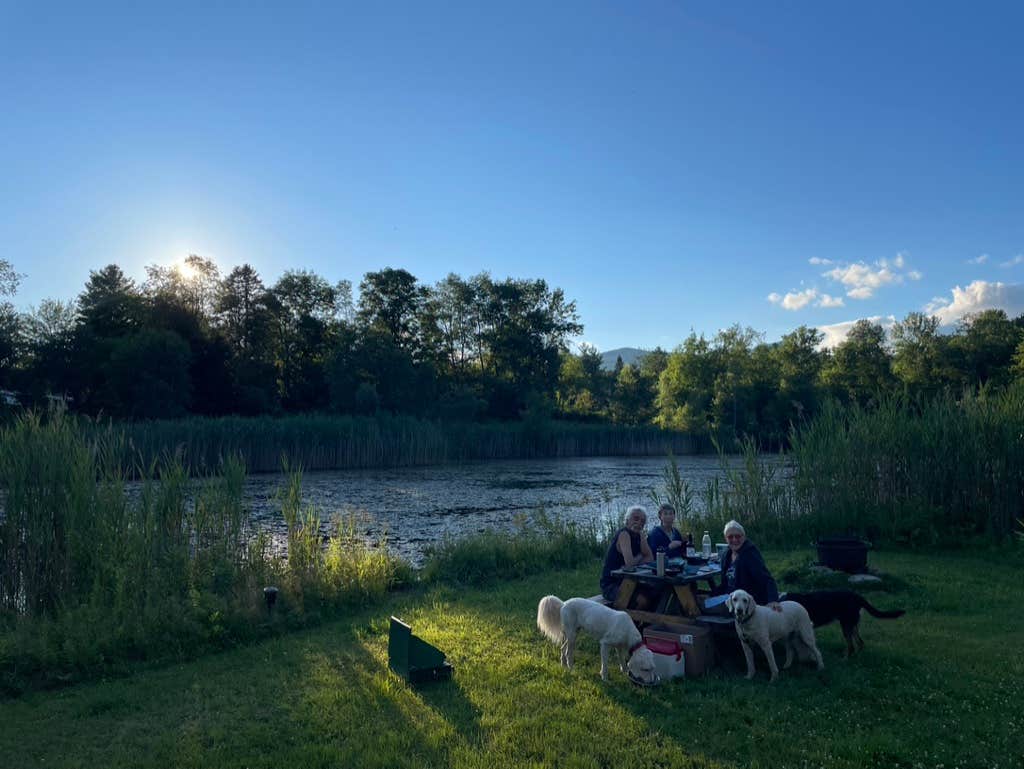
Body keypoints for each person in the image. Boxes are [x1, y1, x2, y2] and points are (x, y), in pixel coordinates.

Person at [714, 519, 781, 610]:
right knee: (700, 602)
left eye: (738, 536)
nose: (734, 540)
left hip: (746, 601)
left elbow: (766, 578)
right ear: (725, 538)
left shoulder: (750, 554)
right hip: (729, 597)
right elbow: (724, 583)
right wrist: (712, 595)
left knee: (701, 609)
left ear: (744, 537)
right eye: (730, 537)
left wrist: (773, 600)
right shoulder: (727, 554)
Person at [599, 505, 654, 603]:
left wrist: (638, 558)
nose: (639, 523)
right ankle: (633, 618)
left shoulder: (640, 535)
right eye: (635, 519)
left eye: (642, 521)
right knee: (641, 600)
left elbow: (650, 558)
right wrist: (641, 555)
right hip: (612, 584)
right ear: (627, 520)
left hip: (630, 580)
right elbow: (630, 564)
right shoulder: (624, 534)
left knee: (655, 591)